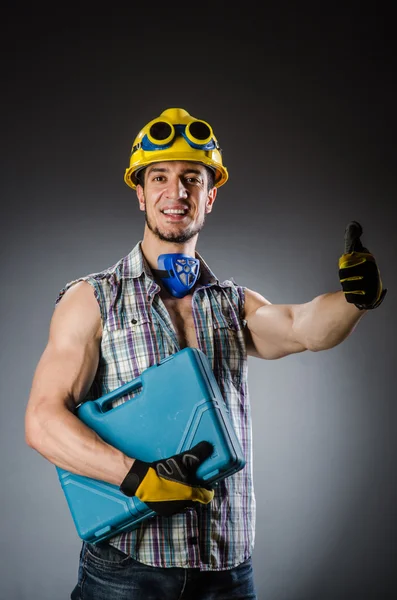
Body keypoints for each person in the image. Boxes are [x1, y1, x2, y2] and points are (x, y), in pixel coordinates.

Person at [24, 107, 386, 600]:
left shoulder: (232, 304)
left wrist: (355, 299)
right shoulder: (92, 300)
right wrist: (138, 480)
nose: (177, 193)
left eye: (192, 179)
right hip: (128, 572)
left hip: (228, 573)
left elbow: (303, 328)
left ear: (210, 196)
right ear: (140, 192)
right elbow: (42, 421)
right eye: (160, 178)